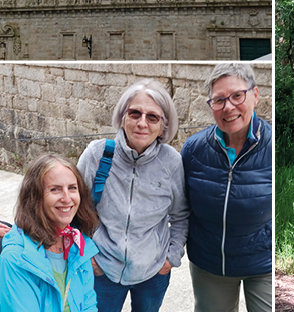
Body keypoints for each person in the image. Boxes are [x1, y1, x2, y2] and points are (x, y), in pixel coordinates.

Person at [77, 79, 189, 312]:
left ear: (163, 125)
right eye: (135, 113)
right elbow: (75, 210)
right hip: (103, 269)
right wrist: (89, 257)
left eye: (152, 117)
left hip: (153, 273)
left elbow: (180, 215)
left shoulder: (171, 162)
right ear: (123, 116)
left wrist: (170, 259)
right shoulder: (97, 155)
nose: (142, 123)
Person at [181, 63, 273, 312]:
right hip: (211, 264)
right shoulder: (193, 150)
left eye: (237, 96)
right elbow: (180, 208)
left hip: (264, 263)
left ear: (255, 95)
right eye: (219, 100)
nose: (228, 107)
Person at [0, 153, 100, 311]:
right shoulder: (16, 259)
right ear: (34, 197)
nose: (67, 198)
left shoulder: (78, 246)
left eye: (72, 188)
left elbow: (88, 305)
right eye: (55, 189)